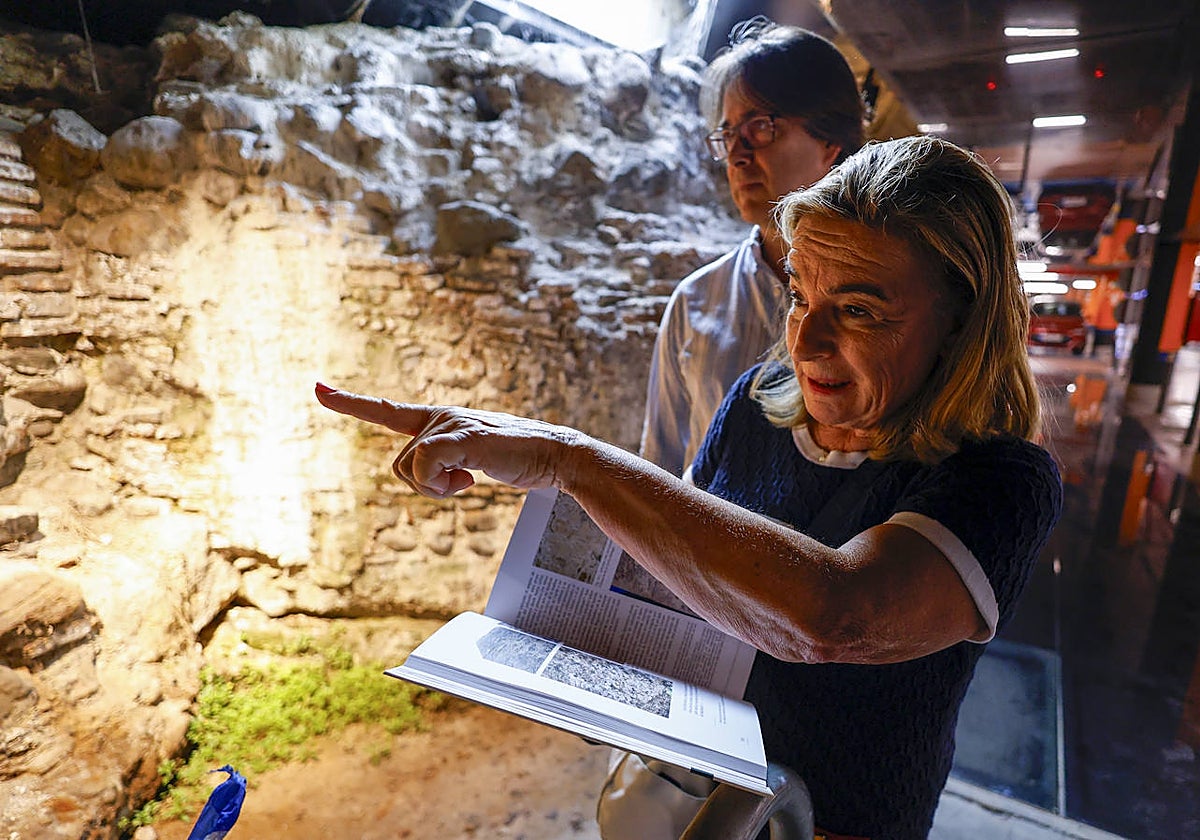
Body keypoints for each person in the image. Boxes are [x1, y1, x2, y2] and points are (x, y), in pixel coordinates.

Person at [315, 136, 1063, 839]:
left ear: (963, 320)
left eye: (860, 310)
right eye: (800, 295)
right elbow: (682, 588)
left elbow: (835, 616)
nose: (805, 342)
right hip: (687, 805)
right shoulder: (755, 405)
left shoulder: (1001, 482)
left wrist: (570, 459)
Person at [641, 18, 866, 476]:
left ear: (830, 141)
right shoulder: (694, 301)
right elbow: (657, 469)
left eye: (761, 128)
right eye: (727, 137)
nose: (739, 154)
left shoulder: (883, 299)